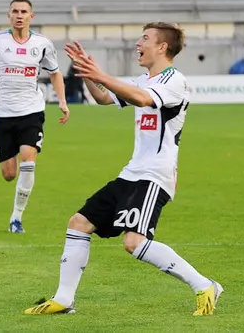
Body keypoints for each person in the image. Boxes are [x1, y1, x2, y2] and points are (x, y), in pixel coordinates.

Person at [24, 23, 223, 316]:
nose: (137, 44)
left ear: (162, 47)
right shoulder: (143, 79)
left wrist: (101, 74)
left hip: (155, 175)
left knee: (134, 242)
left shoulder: (174, 81)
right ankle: (64, 299)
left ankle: (205, 285)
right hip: (132, 173)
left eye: (144, 38)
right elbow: (105, 97)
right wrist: (88, 75)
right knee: (79, 223)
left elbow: (143, 99)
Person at [0, 0, 70, 233]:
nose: (19, 15)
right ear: (9, 15)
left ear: (31, 16)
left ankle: (16, 218)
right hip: (2, 113)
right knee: (9, 174)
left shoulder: (42, 44)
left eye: (24, 11)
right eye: (15, 11)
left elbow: (55, 73)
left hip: (32, 110)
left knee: (28, 159)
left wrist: (62, 101)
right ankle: (14, 188)